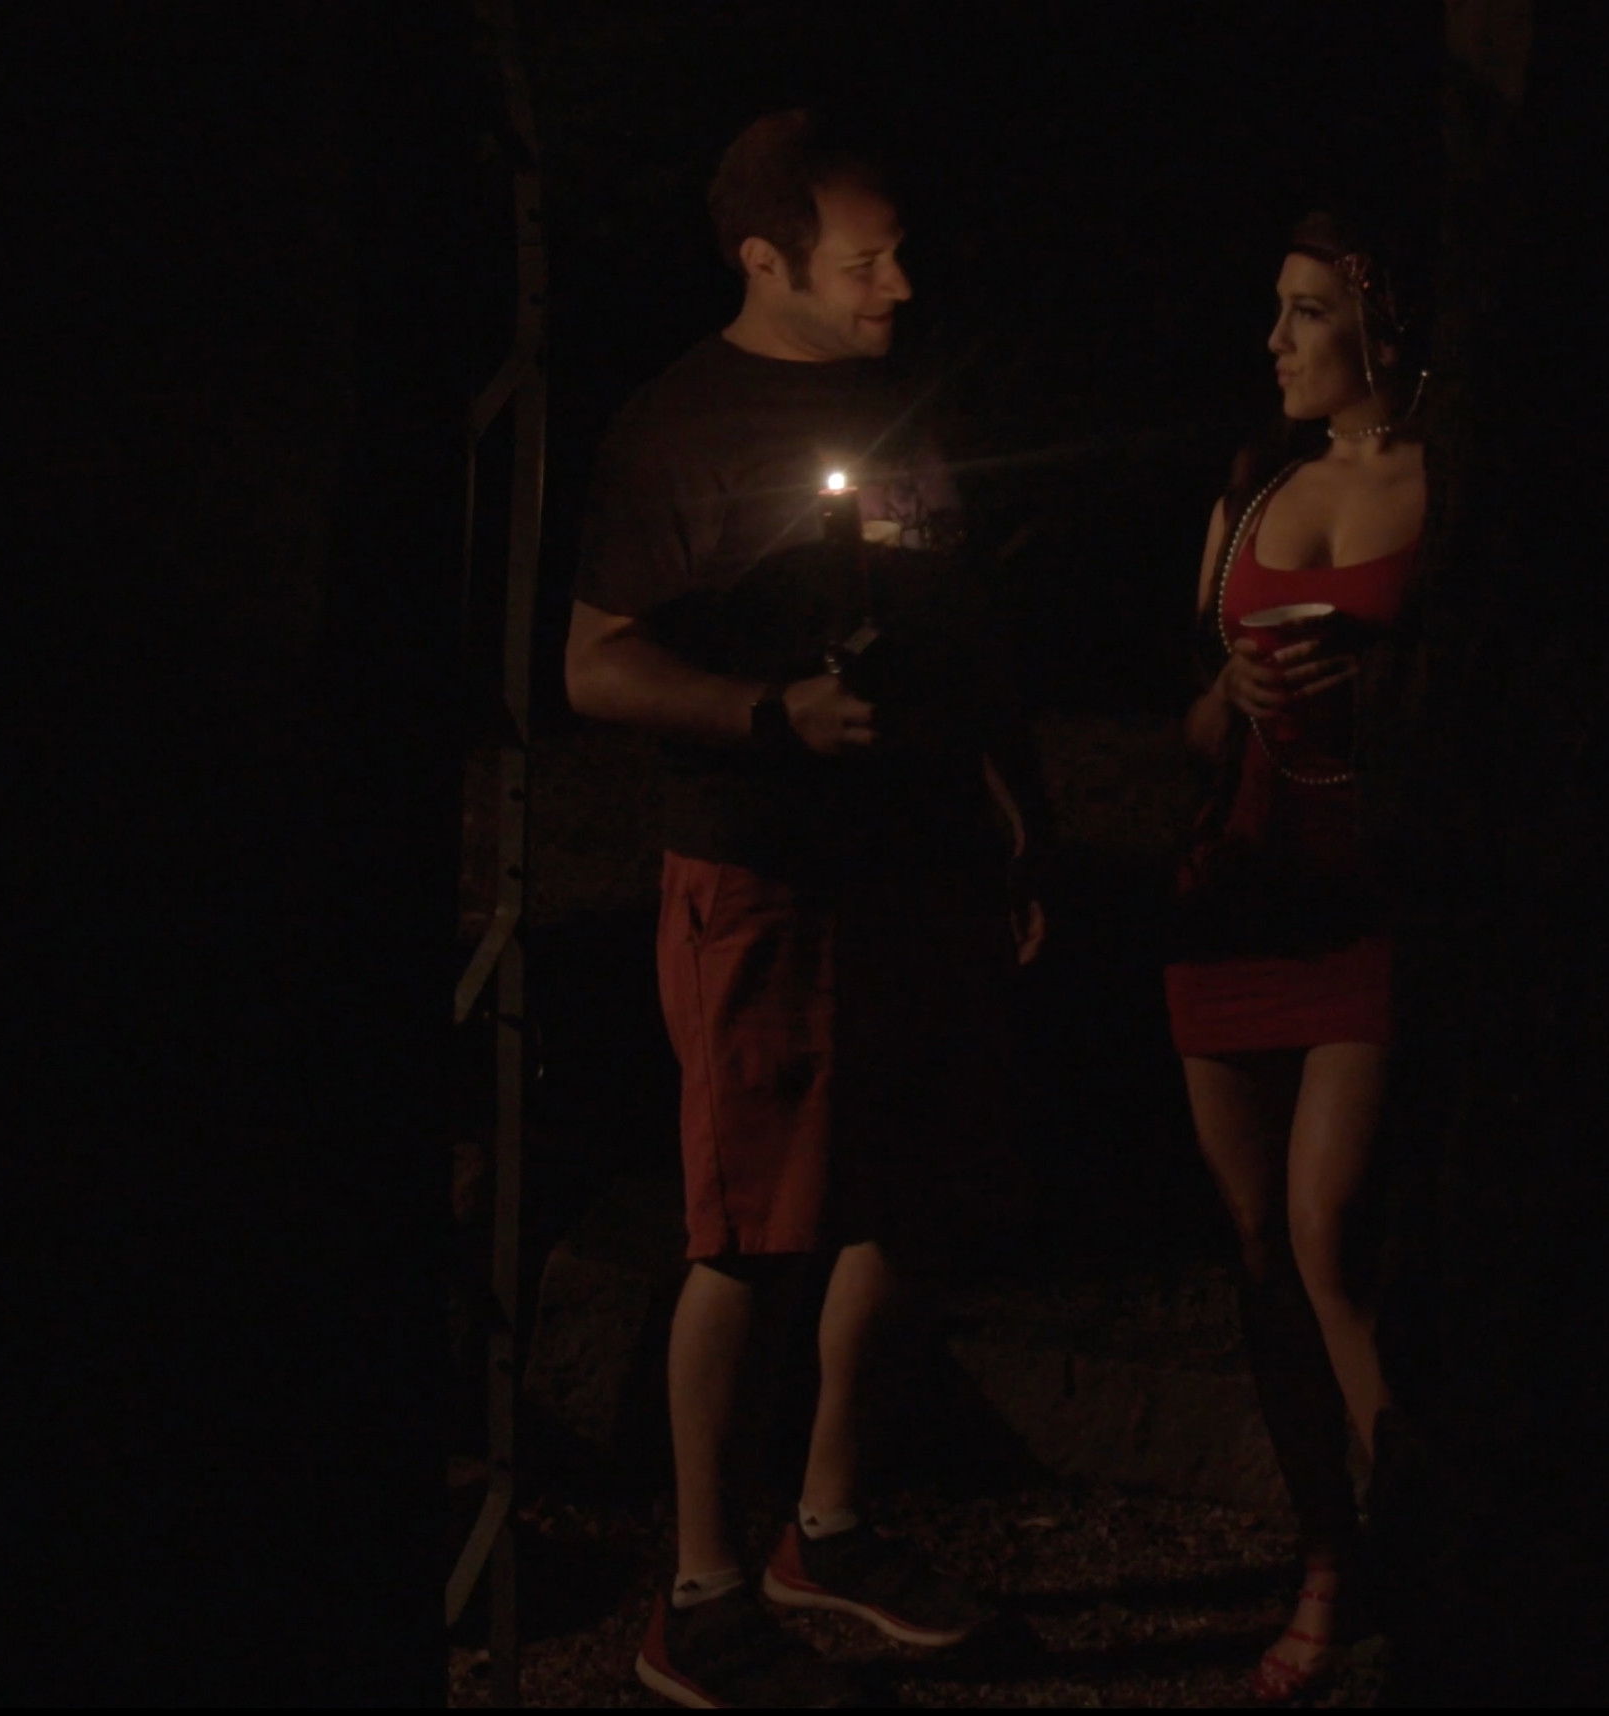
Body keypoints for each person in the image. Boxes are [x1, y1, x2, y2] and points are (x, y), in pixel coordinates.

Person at [563, 110, 1046, 1709]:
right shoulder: (679, 428)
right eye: (862, 262)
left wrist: (1010, 805)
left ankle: (825, 1532)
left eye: (898, 253)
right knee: (757, 1232)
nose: (896, 285)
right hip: (766, 869)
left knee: (915, 1203)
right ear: (765, 260)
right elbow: (595, 664)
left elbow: (955, 616)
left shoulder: (898, 401)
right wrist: (771, 713)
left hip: (922, 863)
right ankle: (700, 1598)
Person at [1165, 210, 1426, 1704]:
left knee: (1331, 1231)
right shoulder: (1254, 484)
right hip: (1236, 896)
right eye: (1276, 307)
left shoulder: (1448, 489)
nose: (1274, 340)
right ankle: (1327, 1555)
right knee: (1259, 1247)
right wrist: (1233, 697)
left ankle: (1427, 1559)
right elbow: (1191, 721)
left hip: (1368, 895)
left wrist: (1379, 681)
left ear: (1383, 328)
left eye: (1307, 311)